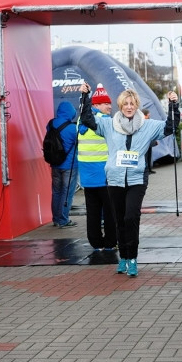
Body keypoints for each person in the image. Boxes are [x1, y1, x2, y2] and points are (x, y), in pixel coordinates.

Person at [80, 83, 181, 277]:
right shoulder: (109, 124)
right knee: (119, 220)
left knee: (131, 217)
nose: (129, 107)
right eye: (125, 104)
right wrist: (85, 97)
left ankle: (133, 258)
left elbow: (170, 127)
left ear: (136, 105)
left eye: (132, 103)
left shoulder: (147, 125)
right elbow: (87, 119)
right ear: (120, 106)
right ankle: (124, 257)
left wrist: (173, 105)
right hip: (114, 179)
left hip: (136, 179)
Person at [77, 85, 117, 258]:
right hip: (104, 174)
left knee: (92, 211)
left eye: (109, 103)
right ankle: (110, 242)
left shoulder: (81, 121)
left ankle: (95, 243)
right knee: (110, 211)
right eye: (105, 103)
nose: (109, 106)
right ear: (96, 105)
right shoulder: (104, 121)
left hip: (87, 175)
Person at [48, 100, 80, 228]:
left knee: (56, 192)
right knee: (67, 192)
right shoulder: (73, 128)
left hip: (55, 164)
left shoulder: (50, 124)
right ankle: (63, 220)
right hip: (69, 165)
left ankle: (56, 219)